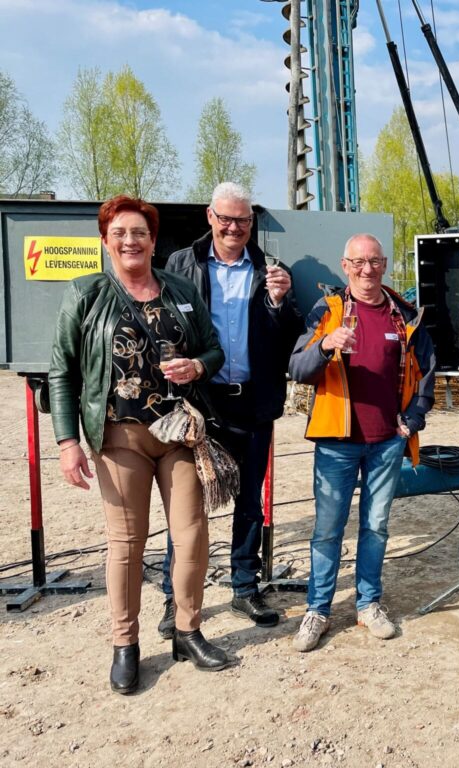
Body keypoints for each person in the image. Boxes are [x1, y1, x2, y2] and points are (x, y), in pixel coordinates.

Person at [49, 195, 234, 695]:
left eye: (140, 233)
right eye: (120, 233)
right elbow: (62, 371)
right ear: (105, 241)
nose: (130, 241)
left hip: (179, 434)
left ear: (154, 241)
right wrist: (67, 442)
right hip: (119, 438)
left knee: (192, 534)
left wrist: (197, 366)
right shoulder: (86, 294)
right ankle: (125, 644)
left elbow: (213, 349)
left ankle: (187, 631)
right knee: (127, 543)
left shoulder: (180, 290)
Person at [156, 182, 303, 636]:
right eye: (226, 218)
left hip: (253, 402)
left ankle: (244, 587)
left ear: (251, 223)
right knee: (187, 505)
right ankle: (176, 597)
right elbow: (164, 324)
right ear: (210, 217)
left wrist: (280, 303)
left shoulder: (269, 268)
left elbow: (287, 338)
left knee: (249, 502)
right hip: (200, 404)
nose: (234, 227)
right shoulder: (182, 264)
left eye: (243, 220)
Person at [288, 233, 436, 651]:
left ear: (384, 265)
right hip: (337, 440)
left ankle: (368, 604)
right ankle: (318, 610)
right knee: (327, 529)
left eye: (374, 261)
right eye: (358, 262)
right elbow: (297, 368)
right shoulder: (327, 310)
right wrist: (325, 345)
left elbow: (427, 372)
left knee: (375, 527)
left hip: (387, 441)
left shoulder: (404, 315)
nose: (366, 269)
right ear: (345, 266)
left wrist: (413, 418)